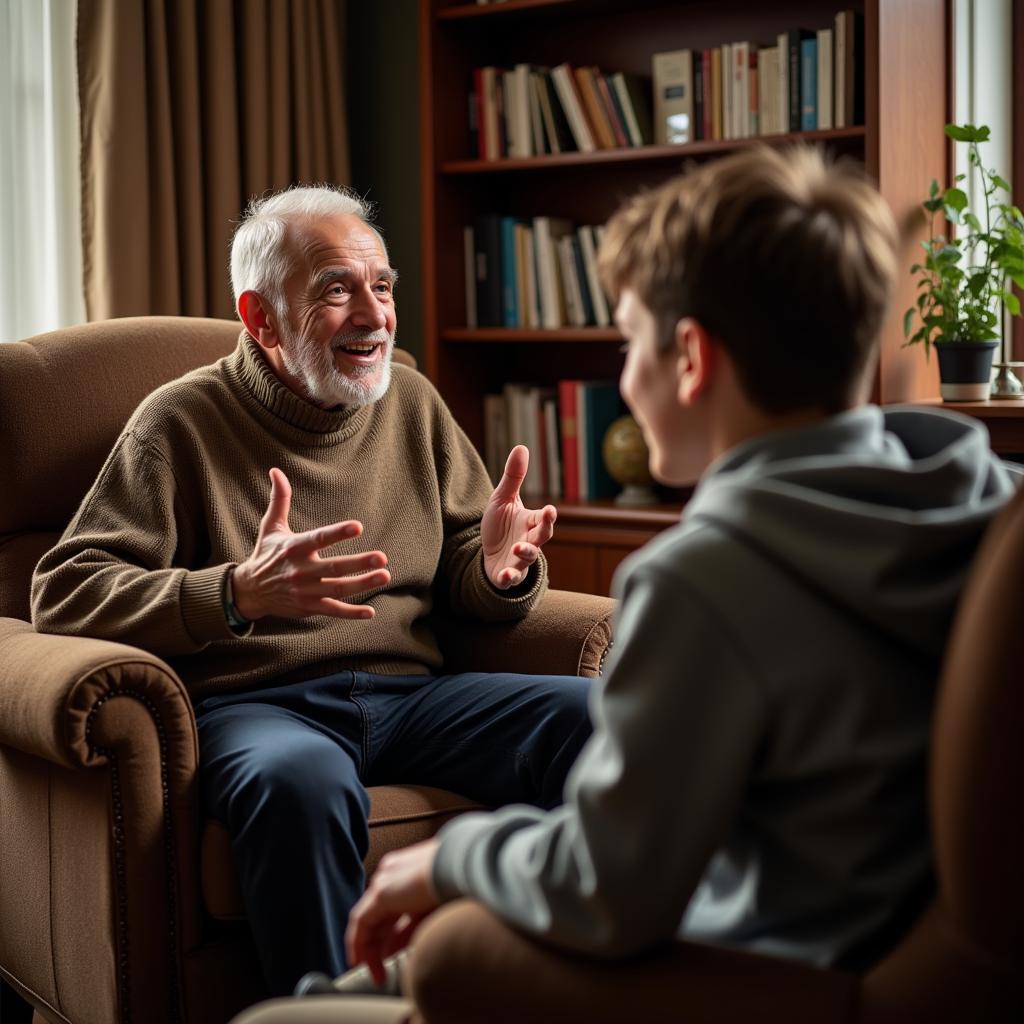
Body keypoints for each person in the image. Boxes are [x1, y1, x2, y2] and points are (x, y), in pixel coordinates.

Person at [339, 144, 1019, 1001]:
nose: (627, 378)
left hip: (757, 969)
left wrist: (448, 862)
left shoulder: (704, 580)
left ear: (692, 358)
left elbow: (608, 884)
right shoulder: (991, 508)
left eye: (629, 342)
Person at [30, 186, 593, 995]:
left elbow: (471, 567)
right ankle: (329, 1012)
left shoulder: (412, 401)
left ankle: (546, 986)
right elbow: (65, 590)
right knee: (299, 782)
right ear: (260, 318)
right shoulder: (177, 423)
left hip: (412, 698)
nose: (375, 314)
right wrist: (235, 593)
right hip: (254, 705)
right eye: (338, 289)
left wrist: (500, 571)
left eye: (383, 286)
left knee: (594, 719)